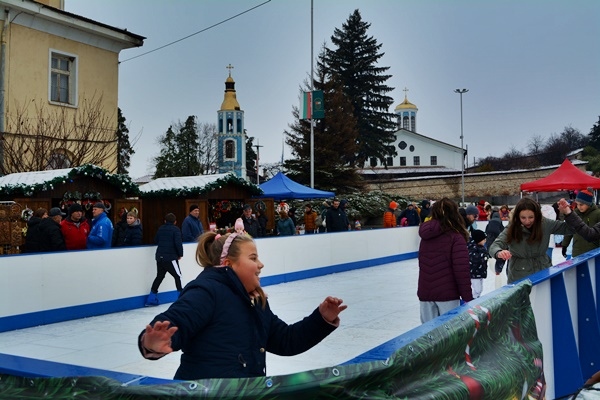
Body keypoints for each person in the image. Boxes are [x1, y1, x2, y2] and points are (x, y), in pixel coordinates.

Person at [138, 230, 347, 380]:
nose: (261, 264)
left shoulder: (256, 301)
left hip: (244, 392)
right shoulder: (207, 291)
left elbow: (287, 340)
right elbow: (176, 320)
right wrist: (152, 343)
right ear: (228, 264)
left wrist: (321, 319)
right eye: (253, 258)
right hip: (204, 394)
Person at [489, 197, 571, 284]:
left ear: (537, 215)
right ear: (518, 216)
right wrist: (499, 252)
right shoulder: (512, 228)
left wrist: (568, 213)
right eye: (523, 218)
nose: (527, 221)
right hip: (519, 275)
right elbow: (495, 246)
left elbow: (571, 228)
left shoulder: (545, 224)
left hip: (543, 271)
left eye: (531, 217)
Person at [418, 198, 473, 323]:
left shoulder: (425, 236)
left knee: (429, 332)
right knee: (450, 331)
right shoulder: (456, 237)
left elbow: (423, 264)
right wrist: (467, 297)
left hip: (425, 293)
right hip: (448, 295)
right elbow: (461, 270)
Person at [145, 213, 184, 307]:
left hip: (160, 257)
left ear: (165, 221)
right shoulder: (176, 230)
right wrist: (180, 254)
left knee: (159, 276)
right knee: (178, 276)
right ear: (175, 222)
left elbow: (156, 240)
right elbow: (178, 243)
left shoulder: (161, 228)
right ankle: (181, 298)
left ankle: (151, 298)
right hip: (171, 258)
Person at [560, 190, 600, 258]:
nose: (579, 207)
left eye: (581, 204)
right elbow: (570, 229)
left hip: (593, 251)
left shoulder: (597, 214)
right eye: (577, 204)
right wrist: (565, 245)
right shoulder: (574, 214)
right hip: (577, 250)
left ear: (588, 203)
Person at [469, 229, 488, 299]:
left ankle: (476, 298)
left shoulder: (481, 247)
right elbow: (473, 258)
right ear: (478, 239)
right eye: (484, 239)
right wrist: (483, 256)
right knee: (476, 289)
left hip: (479, 272)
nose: (485, 241)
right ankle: (473, 300)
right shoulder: (472, 248)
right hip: (474, 273)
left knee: (479, 289)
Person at [485, 208, 505, 275]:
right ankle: (498, 270)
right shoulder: (499, 221)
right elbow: (502, 230)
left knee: (491, 255)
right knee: (499, 255)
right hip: (497, 240)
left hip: (490, 240)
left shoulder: (491, 221)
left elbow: (487, 231)